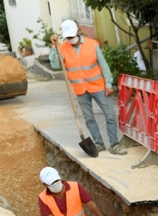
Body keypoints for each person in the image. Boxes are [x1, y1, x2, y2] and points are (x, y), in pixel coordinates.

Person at [49, 20, 127, 155]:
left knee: (109, 115)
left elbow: (103, 65)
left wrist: (108, 84)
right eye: (68, 37)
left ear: (78, 32)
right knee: (89, 118)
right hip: (80, 90)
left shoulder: (92, 44)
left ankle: (114, 144)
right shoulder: (61, 48)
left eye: (72, 36)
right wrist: (53, 47)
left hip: (98, 87)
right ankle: (98, 143)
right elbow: (56, 65)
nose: (71, 39)